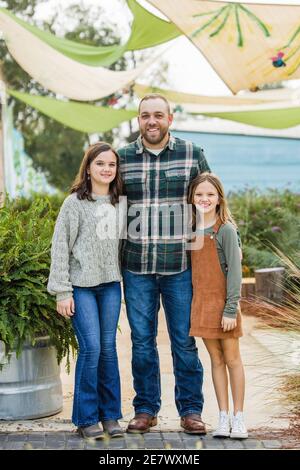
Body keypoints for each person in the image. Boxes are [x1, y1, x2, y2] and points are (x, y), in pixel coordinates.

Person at [118, 94, 210, 434]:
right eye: (145, 116)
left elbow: (210, 202)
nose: (151, 121)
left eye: (158, 115)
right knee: (142, 341)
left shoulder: (192, 154)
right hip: (136, 265)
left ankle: (190, 410)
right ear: (138, 120)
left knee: (184, 340)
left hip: (179, 267)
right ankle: (145, 408)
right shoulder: (123, 157)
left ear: (170, 118)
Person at [47, 142, 126, 440]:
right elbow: (60, 247)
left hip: (110, 287)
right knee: (91, 348)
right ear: (89, 168)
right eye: (100, 163)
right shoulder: (74, 203)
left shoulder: (120, 202)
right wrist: (62, 291)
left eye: (111, 164)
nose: (107, 169)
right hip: (80, 287)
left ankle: (110, 416)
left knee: (108, 350)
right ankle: (86, 418)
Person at [187, 172, 248, 439]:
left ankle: (239, 417)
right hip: (203, 306)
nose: (204, 199)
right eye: (199, 194)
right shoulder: (192, 230)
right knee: (215, 360)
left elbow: (234, 273)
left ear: (219, 198)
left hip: (225, 307)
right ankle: (222, 417)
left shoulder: (225, 230)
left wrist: (230, 309)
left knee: (233, 360)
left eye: (210, 194)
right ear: (192, 198)